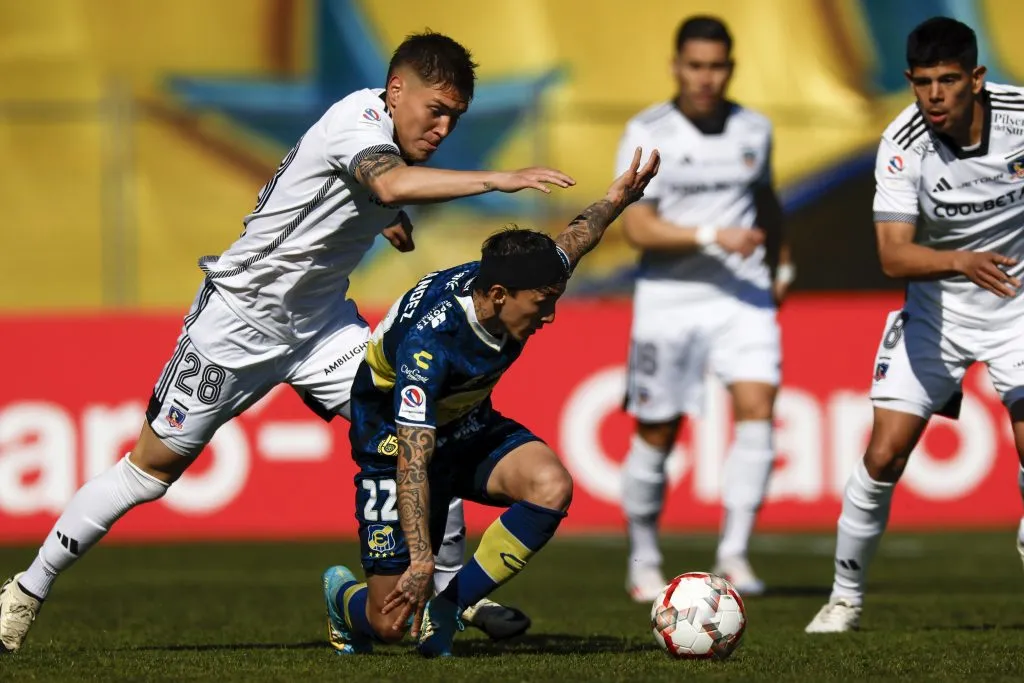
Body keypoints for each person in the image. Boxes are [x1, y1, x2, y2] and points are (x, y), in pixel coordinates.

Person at [0, 31, 576, 653]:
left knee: (423, 429)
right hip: (239, 324)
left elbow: (360, 194)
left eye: (454, 117)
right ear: (395, 90)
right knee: (152, 470)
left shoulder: (379, 136)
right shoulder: (356, 120)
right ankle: (26, 590)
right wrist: (497, 178)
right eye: (434, 110)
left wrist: (387, 221)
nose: (442, 128)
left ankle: (445, 592)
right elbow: (384, 182)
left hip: (322, 327)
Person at [321, 148, 661, 657]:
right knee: (391, 626)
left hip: (467, 426)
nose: (549, 316)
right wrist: (421, 563)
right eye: (542, 304)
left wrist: (615, 198)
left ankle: (448, 607)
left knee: (550, 485)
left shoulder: (522, 278)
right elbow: (414, 458)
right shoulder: (430, 345)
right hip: (393, 444)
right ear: (500, 295)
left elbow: (575, 239)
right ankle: (341, 599)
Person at [805, 17, 1024, 633]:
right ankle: (843, 598)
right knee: (884, 454)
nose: (935, 96)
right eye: (923, 82)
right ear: (909, 81)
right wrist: (960, 260)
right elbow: (892, 255)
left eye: (948, 80)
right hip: (938, 316)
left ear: (976, 79)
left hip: (1017, 312)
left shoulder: (1020, 117)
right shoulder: (902, 144)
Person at [615, 16, 792, 601]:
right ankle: (643, 558)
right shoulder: (649, 130)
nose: (705, 78)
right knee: (658, 429)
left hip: (742, 296)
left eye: (716, 66)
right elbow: (636, 224)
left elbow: (764, 199)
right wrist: (715, 234)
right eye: (695, 66)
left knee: (758, 410)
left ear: (730, 68)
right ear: (676, 66)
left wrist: (781, 264)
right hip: (669, 300)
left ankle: (735, 555)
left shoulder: (754, 129)